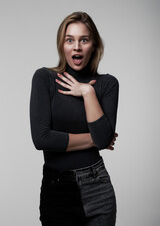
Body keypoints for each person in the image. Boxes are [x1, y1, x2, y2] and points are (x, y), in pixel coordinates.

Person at [30, 11, 119, 226]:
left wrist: (87, 93)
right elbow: (42, 139)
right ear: (62, 45)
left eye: (84, 40)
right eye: (70, 40)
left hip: (98, 187)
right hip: (57, 189)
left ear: (94, 45)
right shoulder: (45, 78)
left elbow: (103, 138)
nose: (77, 47)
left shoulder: (107, 85)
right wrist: (96, 139)